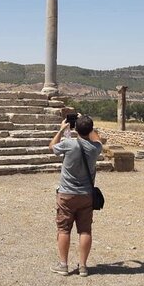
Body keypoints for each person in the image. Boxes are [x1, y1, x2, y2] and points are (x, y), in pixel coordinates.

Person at [48, 115, 102, 277]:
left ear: (76, 129)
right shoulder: (95, 148)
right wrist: (87, 126)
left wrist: (61, 129)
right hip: (86, 194)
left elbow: (52, 147)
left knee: (64, 229)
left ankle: (63, 265)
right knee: (85, 231)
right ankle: (83, 267)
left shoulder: (68, 144)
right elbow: (97, 139)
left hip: (66, 194)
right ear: (90, 130)